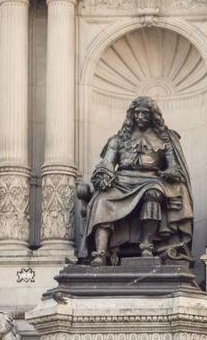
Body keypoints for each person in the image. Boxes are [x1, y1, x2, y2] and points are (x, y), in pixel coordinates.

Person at [82, 97, 193, 265]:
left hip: (151, 179)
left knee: (153, 192)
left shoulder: (165, 140)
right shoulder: (118, 139)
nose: (140, 116)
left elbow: (175, 167)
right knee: (101, 199)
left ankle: (147, 245)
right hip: (122, 180)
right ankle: (101, 253)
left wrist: (171, 173)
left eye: (145, 113)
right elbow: (107, 164)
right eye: (137, 113)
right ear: (132, 115)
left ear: (153, 116)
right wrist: (103, 176)